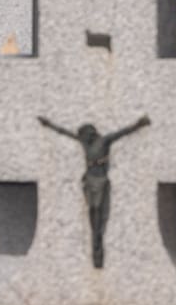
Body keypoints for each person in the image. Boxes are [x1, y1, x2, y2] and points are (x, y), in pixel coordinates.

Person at [37, 115, 151, 268]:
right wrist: (49, 124)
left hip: (101, 180)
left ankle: (98, 245)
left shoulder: (104, 141)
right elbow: (65, 133)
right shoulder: (85, 143)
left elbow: (122, 133)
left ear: (90, 133)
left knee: (97, 209)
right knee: (92, 211)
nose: (83, 138)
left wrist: (138, 125)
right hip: (89, 180)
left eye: (84, 135)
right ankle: (95, 244)